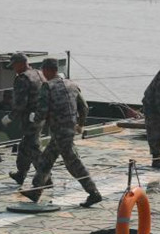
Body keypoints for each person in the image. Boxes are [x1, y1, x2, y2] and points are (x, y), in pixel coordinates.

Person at [21, 59, 102, 207]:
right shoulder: (72, 84)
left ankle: (93, 192)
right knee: (46, 160)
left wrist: (34, 119)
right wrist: (80, 125)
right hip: (68, 129)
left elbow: (43, 111)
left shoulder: (47, 86)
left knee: (73, 163)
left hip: (59, 131)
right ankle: (36, 191)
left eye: (43, 71)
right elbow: (84, 107)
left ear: (47, 70)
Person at [1, 53, 46, 185]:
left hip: (29, 118)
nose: (14, 68)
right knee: (24, 146)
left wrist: (10, 117)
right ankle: (21, 174)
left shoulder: (22, 79)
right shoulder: (38, 73)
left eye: (14, 65)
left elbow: (21, 103)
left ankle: (45, 177)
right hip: (40, 115)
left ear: (21, 63)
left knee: (33, 148)